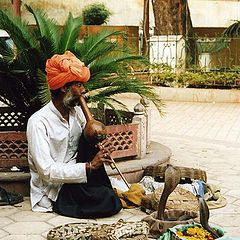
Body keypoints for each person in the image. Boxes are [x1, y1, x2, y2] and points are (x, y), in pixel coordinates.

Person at [26, 51, 122, 218]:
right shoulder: (38, 122)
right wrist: (89, 167)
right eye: (79, 85)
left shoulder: (76, 113)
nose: (84, 90)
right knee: (109, 202)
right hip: (55, 187)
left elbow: (90, 139)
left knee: (108, 195)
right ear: (64, 88)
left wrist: (101, 142)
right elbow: (46, 171)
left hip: (78, 176)